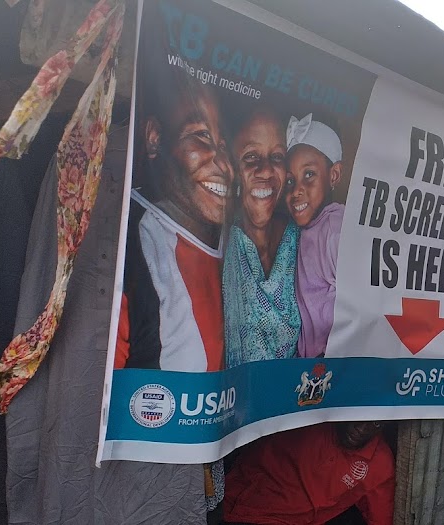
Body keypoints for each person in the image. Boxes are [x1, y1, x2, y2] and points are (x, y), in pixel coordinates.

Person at [114, 76, 232, 373]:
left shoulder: (238, 244)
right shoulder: (124, 248)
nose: (223, 164)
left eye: (223, 145)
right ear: (154, 138)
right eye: (202, 136)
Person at [223, 108, 302, 366]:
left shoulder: (302, 239)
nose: (266, 171)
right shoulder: (218, 241)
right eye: (251, 156)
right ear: (230, 165)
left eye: (277, 157)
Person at [222, 422, 394, 525]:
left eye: (375, 424)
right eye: (360, 416)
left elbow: (381, 517)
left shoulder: (379, 462)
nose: (362, 428)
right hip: (243, 503)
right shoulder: (310, 419)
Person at [284, 113, 345, 358]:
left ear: (334, 175)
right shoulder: (305, 230)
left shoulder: (336, 229)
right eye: (290, 180)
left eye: (309, 174)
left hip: (332, 367)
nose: (297, 190)